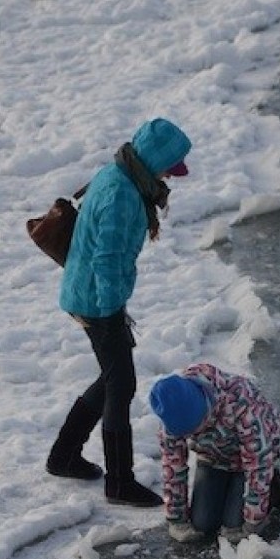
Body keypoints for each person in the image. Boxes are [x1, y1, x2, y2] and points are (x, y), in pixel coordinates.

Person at [46, 116, 192, 506]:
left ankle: (63, 457)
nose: (170, 176)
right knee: (121, 383)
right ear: (155, 159)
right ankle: (119, 482)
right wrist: (112, 313)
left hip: (91, 294)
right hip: (97, 300)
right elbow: (107, 258)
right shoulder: (122, 195)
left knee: (113, 378)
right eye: (169, 167)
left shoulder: (120, 175)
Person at [148, 363, 280, 541]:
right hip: (212, 457)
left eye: (198, 427)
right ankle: (227, 487)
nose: (195, 434)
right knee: (203, 524)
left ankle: (273, 487)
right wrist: (176, 519)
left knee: (234, 527)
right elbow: (173, 466)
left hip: (250, 459)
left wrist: (254, 521)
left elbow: (258, 464)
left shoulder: (242, 402)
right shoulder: (172, 414)